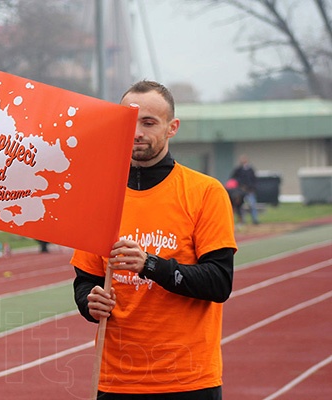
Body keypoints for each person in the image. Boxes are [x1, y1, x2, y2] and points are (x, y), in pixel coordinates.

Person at [71, 80, 237, 399]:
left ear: (172, 127)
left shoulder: (205, 193)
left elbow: (219, 283)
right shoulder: (101, 195)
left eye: (148, 122)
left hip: (189, 380)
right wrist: (89, 302)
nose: (136, 132)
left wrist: (150, 264)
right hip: (115, 380)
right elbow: (85, 281)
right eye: (129, 121)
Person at [230, 154, 260, 225]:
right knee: (241, 206)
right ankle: (242, 220)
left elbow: (254, 179)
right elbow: (233, 179)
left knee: (252, 205)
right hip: (241, 191)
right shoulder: (238, 170)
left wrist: (252, 187)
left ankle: (255, 220)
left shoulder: (251, 170)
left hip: (250, 190)